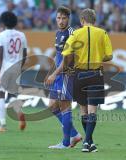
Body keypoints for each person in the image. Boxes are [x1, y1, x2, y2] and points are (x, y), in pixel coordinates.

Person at [62, 8, 113, 152]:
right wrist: (97, 56)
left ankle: (88, 142)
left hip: (79, 74)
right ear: (94, 20)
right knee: (92, 111)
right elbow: (109, 56)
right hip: (96, 74)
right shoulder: (102, 33)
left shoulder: (76, 33)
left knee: (83, 110)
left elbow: (66, 52)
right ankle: (88, 142)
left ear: (82, 20)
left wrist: (67, 68)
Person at [45, 6, 82, 149]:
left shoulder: (71, 33)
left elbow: (68, 59)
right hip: (59, 74)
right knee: (52, 107)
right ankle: (74, 134)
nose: (61, 21)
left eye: (64, 18)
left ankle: (66, 143)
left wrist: (55, 74)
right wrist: (51, 72)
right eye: (59, 18)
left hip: (67, 74)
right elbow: (59, 55)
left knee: (65, 106)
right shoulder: (58, 33)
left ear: (69, 19)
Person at [0, 11, 27, 132]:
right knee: (12, 94)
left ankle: (2, 125)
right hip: (16, 68)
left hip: (4, 69)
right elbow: (25, 55)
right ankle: (18, 111)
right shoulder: (21, 35)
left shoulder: (0, 36)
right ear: (15, 22)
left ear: (2, 22)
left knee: (0, 94)